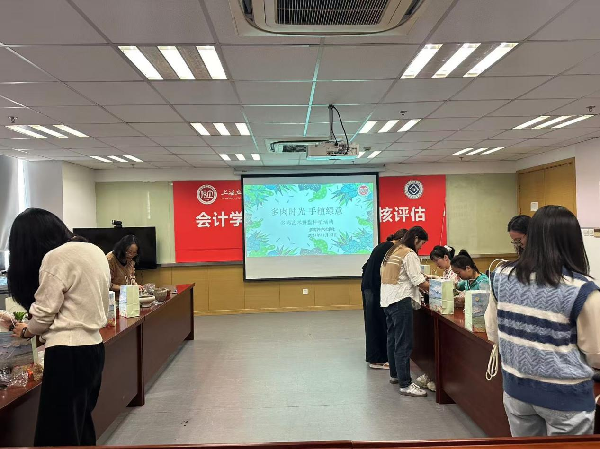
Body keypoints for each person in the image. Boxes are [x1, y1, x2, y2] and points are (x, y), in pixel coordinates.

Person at [485, 205, 600, 437]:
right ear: (573, 241)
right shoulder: (582, 289)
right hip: (565, 398)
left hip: (516, 389)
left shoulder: (501, 276)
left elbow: (493, 331)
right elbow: (596, 354)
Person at [5, 208, 110, 446]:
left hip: (67, 353)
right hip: (94, 348)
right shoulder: (93, 250)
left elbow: (44, 313)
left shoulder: (56, 257)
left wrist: (26, 330)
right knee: (80, 423)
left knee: (57, 433)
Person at [380, 226, 430, 397]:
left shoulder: (393, 251)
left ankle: (395, 375)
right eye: (422, 244)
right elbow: (418, 280)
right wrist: (438, 288)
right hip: (400, 300)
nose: (421, 247)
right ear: (416, 239)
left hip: (387, 300)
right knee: (404, 343)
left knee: (393, 339)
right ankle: (406, 384)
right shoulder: (409, 254)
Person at [361, 229, 407, 369]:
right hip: (374, 289)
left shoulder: (383, 246)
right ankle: (377, 359)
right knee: (377, 323)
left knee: (373, 322)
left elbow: (365, 266)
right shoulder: (391, 249)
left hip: (369, 286)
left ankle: (377, 357)